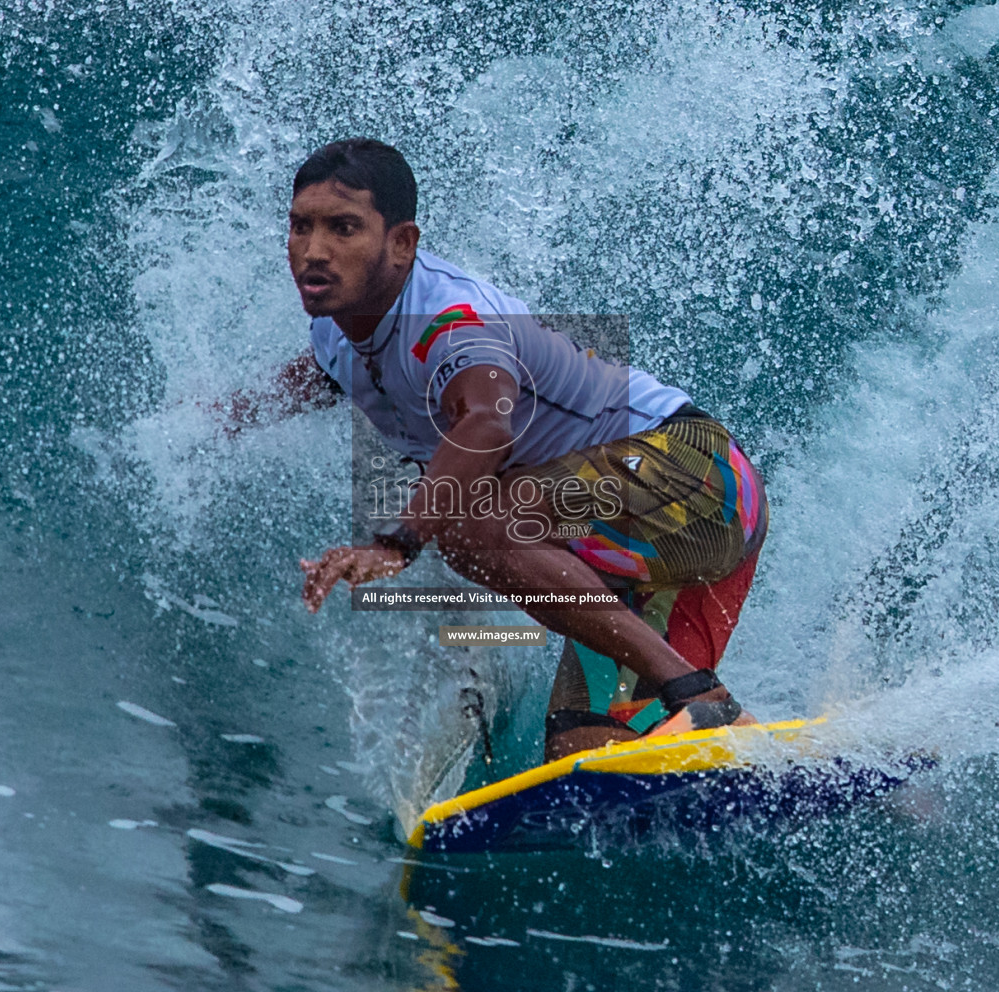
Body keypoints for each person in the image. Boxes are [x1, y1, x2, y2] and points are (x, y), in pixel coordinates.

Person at [222, 138, 768, 762]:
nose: (314, 251)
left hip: (700, 483)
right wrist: (225, 419)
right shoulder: (337, 321)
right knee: (590, 756)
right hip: (642, 552)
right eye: (300, 226)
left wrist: (397, 543)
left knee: (468, 526)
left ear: (402, 243)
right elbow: (332, 370)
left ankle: (699, 695)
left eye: (343, 228)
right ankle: (751, 745)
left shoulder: (454, 324)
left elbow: (485, 423)